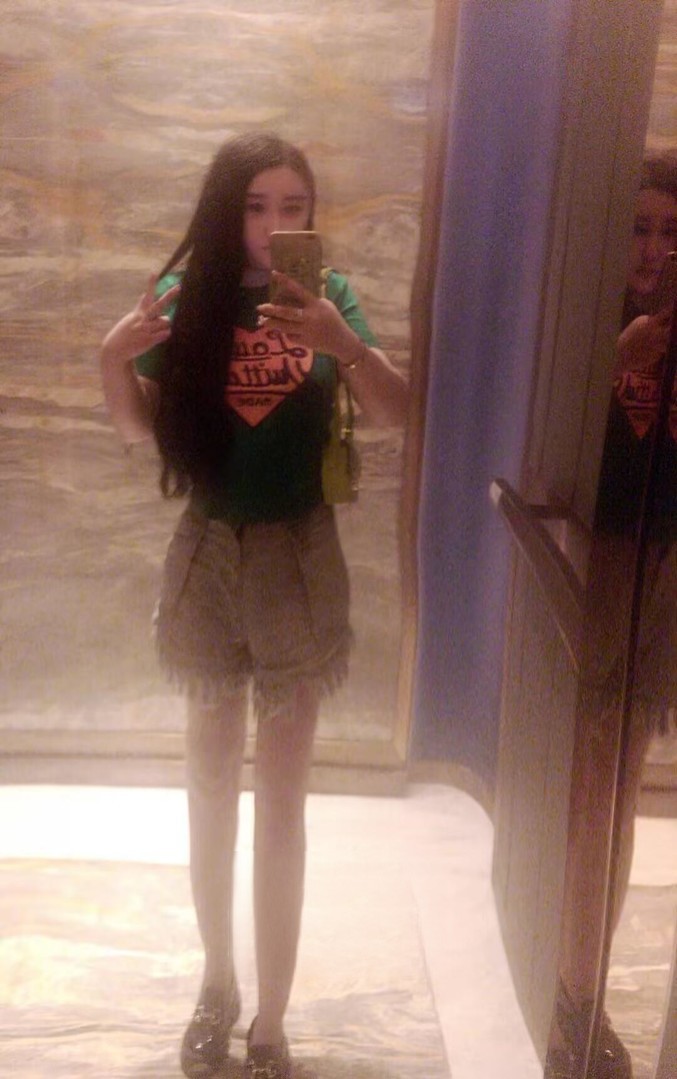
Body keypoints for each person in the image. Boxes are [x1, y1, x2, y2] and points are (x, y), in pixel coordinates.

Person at [100, 131, 408, 1079]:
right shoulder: (186, 298)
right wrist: (111, 358)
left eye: (293, 207)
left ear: (311, 216)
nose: (275, 226)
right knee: (207, 786)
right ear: (226, 210)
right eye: (256, 206)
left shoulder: (330, 296)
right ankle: (217, 980)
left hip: (296, 557)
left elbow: (398, 411)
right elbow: (141, 433)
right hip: (206, 554)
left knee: (280, 799)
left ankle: (270, 1019)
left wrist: (340, 343)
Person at [546, 155, 677, 1079]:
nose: (652, 249)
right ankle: (567, 995)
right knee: (587, 779)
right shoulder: (580, 315)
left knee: (623, 780)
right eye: (637, 228)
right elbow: (549, 440)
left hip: (665, 561)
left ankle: (582, 991)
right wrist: (610, 366)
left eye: (669, 232)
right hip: (595, 556)